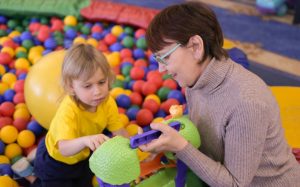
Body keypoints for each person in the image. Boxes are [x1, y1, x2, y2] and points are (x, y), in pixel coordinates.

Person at [139, 1, 300, 186]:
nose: (160, 69)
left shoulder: (246, 102)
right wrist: (164, 141)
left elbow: (235, 184)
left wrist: (181, 148)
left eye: (165, 57)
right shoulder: (196, 78)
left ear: (195, 46)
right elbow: (205, 127)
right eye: (157, 59)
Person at [12, 43, 128, 187]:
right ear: (72, 87)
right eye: (87, 86)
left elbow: (119, 131)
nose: (97, 91)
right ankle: (28, 174)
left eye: (101, 82)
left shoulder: (107, 102)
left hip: (82, 157)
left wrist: (134, 146)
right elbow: (64, 149)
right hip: (56, 162)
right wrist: (86, 140)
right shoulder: (68, 111)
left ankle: (35, 155)